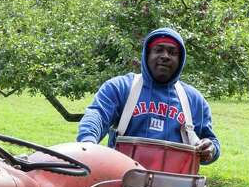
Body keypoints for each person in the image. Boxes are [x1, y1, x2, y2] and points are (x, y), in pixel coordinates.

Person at [77, 27, 220, 163]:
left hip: (174, 184)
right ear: (147, 55)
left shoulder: (194, 100)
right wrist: (88, 142)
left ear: (180, 60)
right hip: (122, 180)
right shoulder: (120, 87)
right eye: (158, 50)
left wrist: (210, 150)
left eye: (172, 52)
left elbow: (211, 142)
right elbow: (97, 115)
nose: (165, 56)